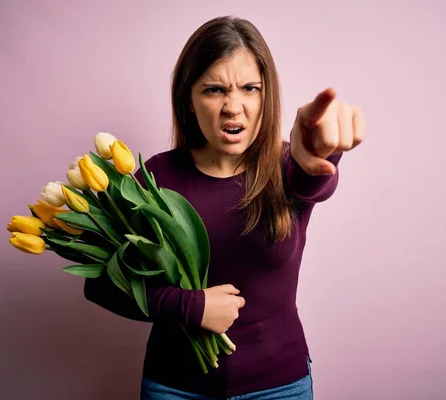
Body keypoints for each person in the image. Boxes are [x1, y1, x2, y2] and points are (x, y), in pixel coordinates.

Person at [84, 15, 365, 399]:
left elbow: (314, 181)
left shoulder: (287, 166)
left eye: (250, 88)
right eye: (214, 90)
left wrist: (319, 155)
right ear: (189, 98)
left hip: (279, 386)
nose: (234, 107)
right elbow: (102, 285)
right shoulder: (156, 177)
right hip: (175, 387)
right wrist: (190, 306)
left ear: (267, 96)